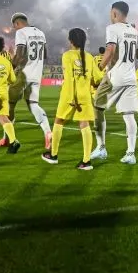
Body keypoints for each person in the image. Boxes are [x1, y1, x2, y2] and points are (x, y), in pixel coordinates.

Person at [43, 28, 102, 169]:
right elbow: (99, 78)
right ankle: (86, 161)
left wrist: (72, 98)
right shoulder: (89, 57)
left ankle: (53, 155)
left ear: (70, 40)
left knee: (59, 121)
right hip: (85, 95)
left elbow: (69, 78)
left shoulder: (67, 56)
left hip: (70, 95)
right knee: (84, 125)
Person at [90, 2, 138, 165]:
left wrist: (98, 69)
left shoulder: (112, 29)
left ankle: (101, 147)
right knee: (129, 115)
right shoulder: (134, 31)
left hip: (115, 77)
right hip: (131, 78)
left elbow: (110, 50)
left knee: (97, 106)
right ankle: (130, 153)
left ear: (114, 13)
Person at [0, 12, 52, 150]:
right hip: (36, 74)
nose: (15, 29)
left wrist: (10, 69)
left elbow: (20, 54)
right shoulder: (41, 33)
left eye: (14, 26)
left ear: (17, 23)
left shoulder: (21, 32)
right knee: (34, 104)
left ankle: (7, 139)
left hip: (23, 74)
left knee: (9, 105)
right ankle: (48, 132)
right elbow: (45, 54)